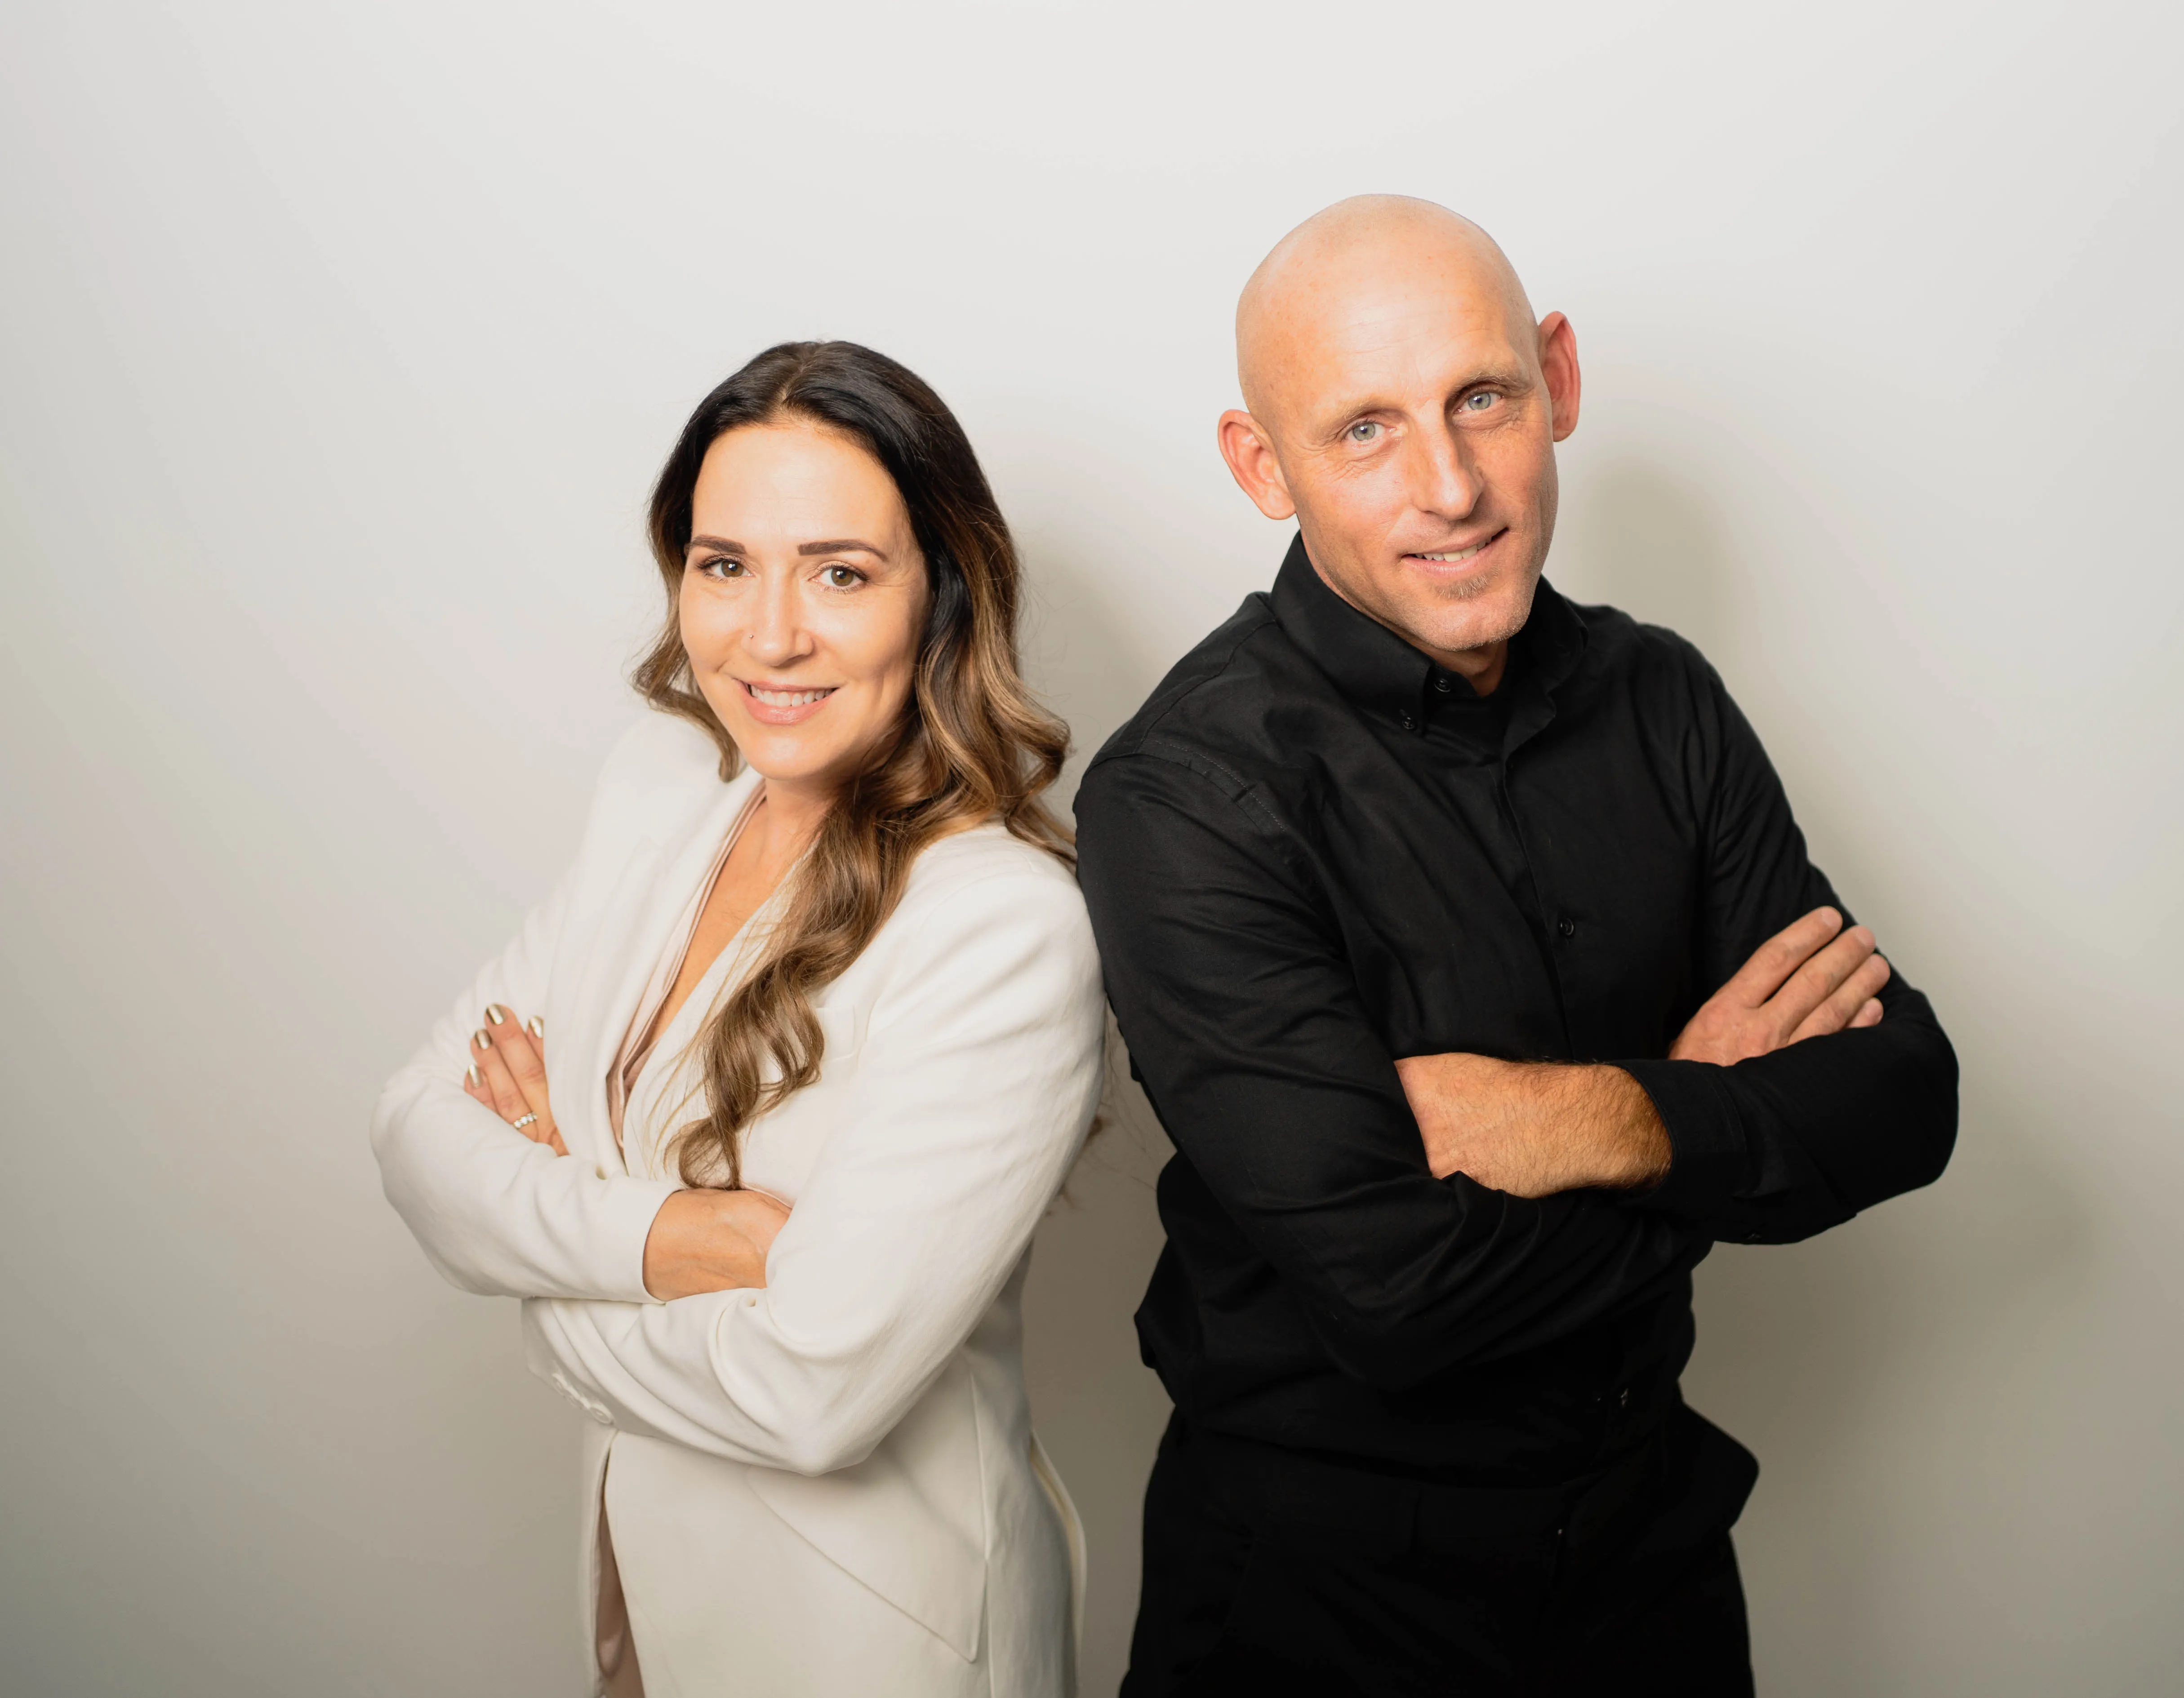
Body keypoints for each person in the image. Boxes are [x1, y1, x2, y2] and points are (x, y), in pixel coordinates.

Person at [1073, 197, 1958, 1696]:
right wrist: (1717, 1110)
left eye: (1480, 397)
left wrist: (1594, 1116)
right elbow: (1398, 1302)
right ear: (1260, 467)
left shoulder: (1663, 699)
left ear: (1555, 377)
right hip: (1321, 1607)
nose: (1451, 485)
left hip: (1651, 1567)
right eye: (1364, 429)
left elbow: (1906, 1098)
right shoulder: (1183, 796)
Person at [372, 342, 1103, 1698]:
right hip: (640, 1603)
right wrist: (669, 1237)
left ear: (943, 596)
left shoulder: (1000, 926)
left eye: (841, 571)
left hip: (873, 1643)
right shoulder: (661, 786)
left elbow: (809, 1395)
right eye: (725, 565)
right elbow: (416, 1129)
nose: (771, 636)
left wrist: (538, 1259)